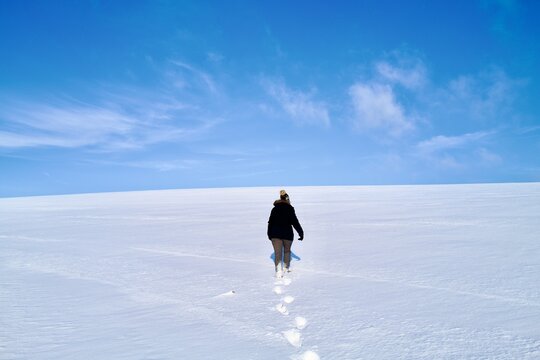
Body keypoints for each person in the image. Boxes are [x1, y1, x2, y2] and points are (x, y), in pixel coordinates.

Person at [267, 189, 304, 276]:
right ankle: (286, 267)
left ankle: (279, 271)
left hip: (275, 234)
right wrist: (301, 232)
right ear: (287, 200)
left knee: (278, 253)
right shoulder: (290, 209)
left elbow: (270, 222)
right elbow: (295, 222)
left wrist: (269, 234)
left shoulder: (274, 209)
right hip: (287, 234)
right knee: (287, 251)